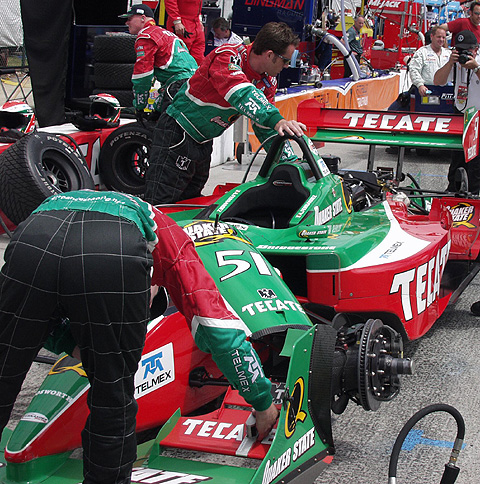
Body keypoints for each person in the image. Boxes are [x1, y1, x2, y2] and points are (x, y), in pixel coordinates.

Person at [0, 190, 278, 484]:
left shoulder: (85, 198)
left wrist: (71, 343)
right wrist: (262, 402)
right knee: (113, 393)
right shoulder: (171, 236)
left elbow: (27, 318)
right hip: (112, 243)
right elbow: (218, 330)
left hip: (35, 231)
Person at [144, 22, 306, 206]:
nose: (287, 66)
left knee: (188, 204)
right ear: (270, 55)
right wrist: (277, 120)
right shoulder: (228, 56)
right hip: (178, 132)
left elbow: (266, 128)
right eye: (286, 60)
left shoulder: (268, 81)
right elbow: (240, 92)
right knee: (161, 203)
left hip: (204, 141)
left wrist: (291, 163)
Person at [119, 4, 197, 116]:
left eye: (129, 19)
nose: (126, 23)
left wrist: (139, 106)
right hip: (193, 83)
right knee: (161, 117)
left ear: (142, 18)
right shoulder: (169, 34)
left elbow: (143, 74)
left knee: (165, 130)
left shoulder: (146, 36)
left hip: (178, 84)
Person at [434, 30, 480, 194]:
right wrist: (449, 64)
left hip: (477, 116)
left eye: (467, 50)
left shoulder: (477, 61)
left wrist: (476, 68)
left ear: (475, 49)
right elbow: (437, 81)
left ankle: (474, 195)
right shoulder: (454, 62)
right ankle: (453, 190)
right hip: (459, 113)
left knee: (475, 161)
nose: (463, 55)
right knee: (457, 157)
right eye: (459, 50)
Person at [409, 25, 451, 97]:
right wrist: (420, 85)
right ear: (432, 36)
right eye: (438, 37)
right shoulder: (422, 52)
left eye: (443, 37)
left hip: (445, 90)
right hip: (426, 91)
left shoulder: (448, 53)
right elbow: (414, 70)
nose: (441, 39)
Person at [164, 0, 205, 65]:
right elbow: (170, 2)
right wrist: (177, 21)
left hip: (194, 22)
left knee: (198, 55)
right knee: (180, 56)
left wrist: (199, 19)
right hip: (183, 22)